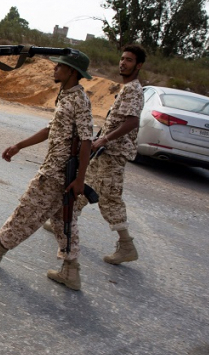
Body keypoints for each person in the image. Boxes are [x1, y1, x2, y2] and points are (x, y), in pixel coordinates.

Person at [0, 50, 94, 290]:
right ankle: (71, 271)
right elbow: (51, 128)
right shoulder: (66, 95)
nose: (55, 68)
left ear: (72, 71)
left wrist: (80, 179)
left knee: (27, 208)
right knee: (62, 220)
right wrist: (19, 145)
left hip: (57, 172)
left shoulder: (79, 100)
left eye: (60, 66)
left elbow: (86, 141)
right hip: (58, 169)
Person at [44, 45, 146, 264]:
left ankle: (127, 245)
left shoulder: (134, 90)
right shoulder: (127, 88)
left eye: (129, 60)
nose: (123, 63)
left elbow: (132, 121)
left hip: (114, 153)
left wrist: (104, 139)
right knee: (84, 184)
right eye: (122, 58)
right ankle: (64, 222)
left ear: (138, 66)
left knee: (110, 198)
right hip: (106, 151)